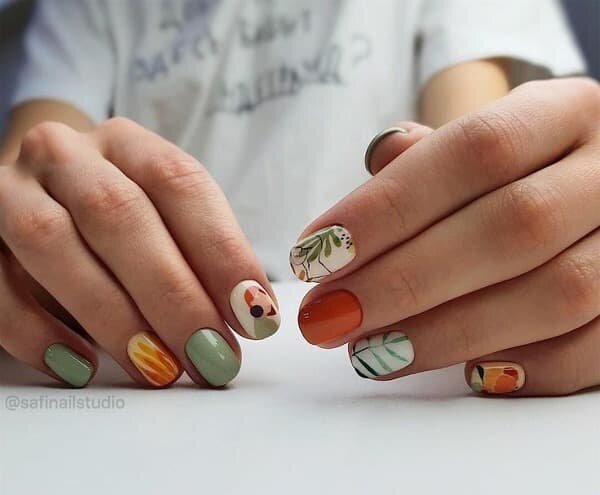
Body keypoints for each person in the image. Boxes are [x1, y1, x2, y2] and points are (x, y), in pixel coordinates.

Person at [0, 0, 597, 395]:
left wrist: (536, 208)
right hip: (152, 377)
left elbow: (478, 153)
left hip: (383, 384)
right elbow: (37, 163)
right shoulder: (87, 8)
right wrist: (27, 224)